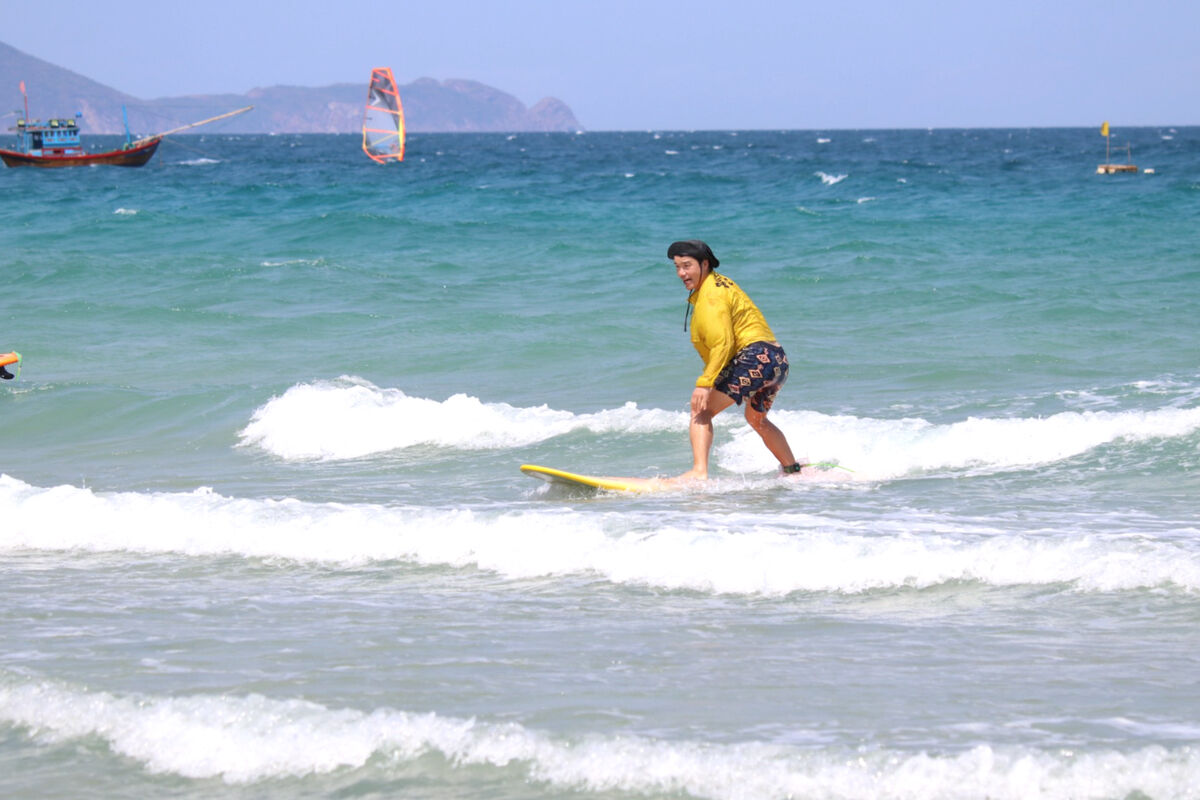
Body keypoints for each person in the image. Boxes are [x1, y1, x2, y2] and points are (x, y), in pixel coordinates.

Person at [667, 240, 805, 480]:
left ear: (705, 264)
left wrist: (705, 383)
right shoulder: (722, 283)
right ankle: (792, 470)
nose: (681, 273)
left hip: (754, 358)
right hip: (776, 360)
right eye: (677, 267)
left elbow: (723, 342)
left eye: (687, 266)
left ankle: (698, 472)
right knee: (757, 419)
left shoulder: (711, 295)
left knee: (701, 411)